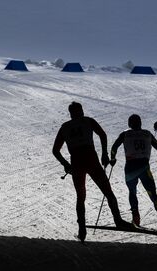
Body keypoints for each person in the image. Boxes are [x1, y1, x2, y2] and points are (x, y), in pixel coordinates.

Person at [52, 101, 132, 242]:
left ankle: (82, 230)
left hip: (77, 163)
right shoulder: (88, 121)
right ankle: (118, 220)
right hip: (91, 160)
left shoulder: (65, 127)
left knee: (81, 196)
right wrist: (104, 154)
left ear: (70, 113)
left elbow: (55, 150)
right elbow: (103, 135)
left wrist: (65, 164)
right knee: (108, 192)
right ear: (81, 111)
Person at [110, 114, 157, 228]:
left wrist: (113, 158)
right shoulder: (147, 134)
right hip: (144, 168)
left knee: (132, 192)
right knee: (153, 194)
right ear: (140, 123)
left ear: (129, 124)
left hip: (130, 169)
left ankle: (136, 219)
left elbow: (114, 147)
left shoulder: (125, 134)